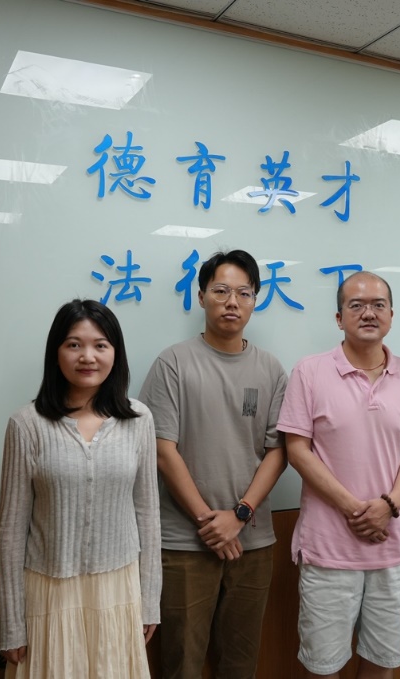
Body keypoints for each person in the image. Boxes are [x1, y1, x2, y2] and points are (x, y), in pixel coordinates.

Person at [138, 249, 288, 679]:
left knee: (241, 662)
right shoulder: (173, 362)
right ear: (201, 296)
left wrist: (238, 516)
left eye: (244, 292)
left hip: (252, 541)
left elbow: (278, 451)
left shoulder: (271, 369)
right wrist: (209, 523)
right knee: (181, 663)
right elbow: (162, 449)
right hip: (185, 543)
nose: (232, 301)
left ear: (255, 300)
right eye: (221, 291)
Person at [277, 271, 400, 679]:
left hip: (391, 548)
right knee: (323, 667)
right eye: (356, 305)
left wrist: (388, 505)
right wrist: (355, 510)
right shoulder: (309, 371)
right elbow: (297, 450)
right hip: (329, 550)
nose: (368, 313)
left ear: (392, 315)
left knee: (382, 663)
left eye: (378, 305)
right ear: (338, 317)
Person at [0, 299, 160, 678]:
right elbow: (11, 530)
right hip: (49, 593)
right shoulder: (27, 424)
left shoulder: (138, 419)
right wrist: (11, 623)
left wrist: (150, 602)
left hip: (118, 590)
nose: (88, 356)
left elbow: (148, 515)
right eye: (74, 344)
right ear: (56, 353)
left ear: (115, 354)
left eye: (100, 345)